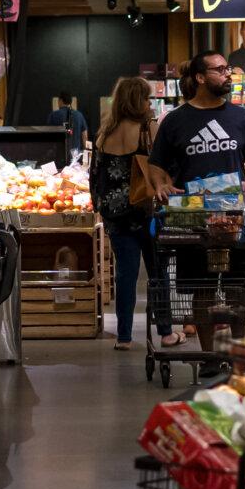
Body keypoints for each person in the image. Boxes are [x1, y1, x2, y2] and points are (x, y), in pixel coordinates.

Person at [148, 51, 245, 347]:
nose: (227, 74)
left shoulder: (241, 117)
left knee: (238, 288)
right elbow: (156, 164)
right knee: (201, 290)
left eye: (228, 69)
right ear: (200, 77)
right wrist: (161, 185)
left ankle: (238, 351)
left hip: (234, 215)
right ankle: (208, 356)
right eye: (219, 70)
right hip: (192, 217)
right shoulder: (176, 121)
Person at [89, 78, 184, 350]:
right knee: (158, 272)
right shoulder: (148, 129)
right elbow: (164, 165)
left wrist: (100, 205)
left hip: (115, 214)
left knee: (125, 275)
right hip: (146, 210)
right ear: (136, 101)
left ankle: (124, 337)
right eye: (146, 99)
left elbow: (94, 176)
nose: (149, 104)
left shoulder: (104, 134)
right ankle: (165, 332)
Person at [47, 91, 90, 161]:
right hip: (76, 157)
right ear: (70, 102)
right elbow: (85, 137)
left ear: (60, 100)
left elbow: (49, 137)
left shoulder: (53, 115)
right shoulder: (79, 115)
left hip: (59, 156)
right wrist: (86, 158)